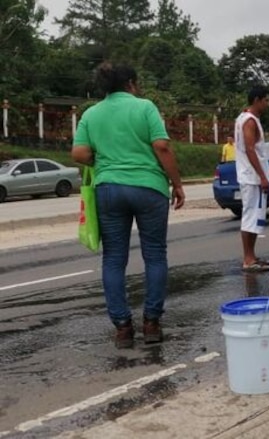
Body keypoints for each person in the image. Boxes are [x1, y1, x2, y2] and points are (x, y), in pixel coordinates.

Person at [71, 62, 185, 349]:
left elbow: (78, 153)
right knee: (155, 254)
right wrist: (177, 184)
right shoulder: (145, 107)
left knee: (113, 258)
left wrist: (104, 163)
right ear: (131, 84)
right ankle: (151, 323)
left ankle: (122, 327)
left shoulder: (91, 114)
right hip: (149, 188)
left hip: (109, 190)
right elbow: (162, 146)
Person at [235, 85, 269, 273]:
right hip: (252, 178)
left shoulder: (244, 118)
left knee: (254, 217)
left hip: (250, 176)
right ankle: (248, 259)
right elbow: (250, 149)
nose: (268, 104)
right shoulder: (249, 121)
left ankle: (251, 255)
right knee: (250, 217)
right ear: (257, 100)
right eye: (266, 100)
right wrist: (262, 176)